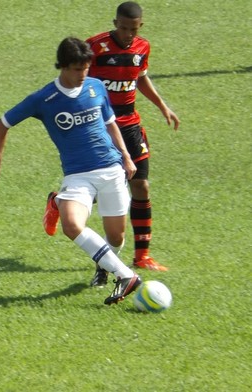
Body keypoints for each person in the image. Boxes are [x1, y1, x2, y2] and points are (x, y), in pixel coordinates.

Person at [0, 37, 141, 306]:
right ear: (63, 67)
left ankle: (102, 265)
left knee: (116, 236)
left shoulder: (96, 87)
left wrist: (126, 157)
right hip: (78, 175)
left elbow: (110, 122)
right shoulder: (44, 98)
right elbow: (3, 123)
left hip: (112, 169)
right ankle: (125, 275)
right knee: (72, 226)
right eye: (77, 69)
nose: (83, 75)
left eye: (86, 68)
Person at [43, 1, 180, 286]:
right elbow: (78, 82)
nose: (128, 33)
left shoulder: (142, 48)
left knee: (140, 184)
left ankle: (142, 255)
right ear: (114, 22)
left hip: (130, 126)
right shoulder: (97, 48)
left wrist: (162, 106)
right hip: (100, 127)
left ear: (140, 26)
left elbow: (140, 79)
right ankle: (61, 202)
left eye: (133, 28)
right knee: (103, 182)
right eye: (123, 27)